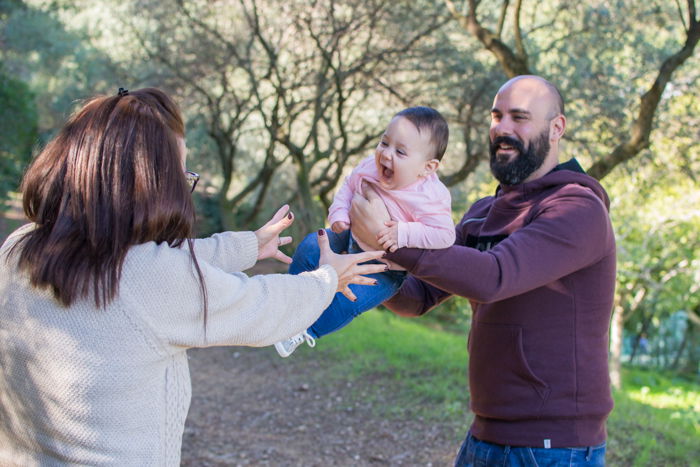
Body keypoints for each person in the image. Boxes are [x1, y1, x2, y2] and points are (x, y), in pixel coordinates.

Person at [0, 87, 386, 465]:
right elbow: (261, 307)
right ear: (147, 181)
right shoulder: (151, 279)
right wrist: (326, 279)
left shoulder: (18, 247)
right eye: (180, 176)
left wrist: (248, 246)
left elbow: (157, 266)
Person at [350, 76, 616, 466]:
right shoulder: (482, 214)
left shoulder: (577, 209)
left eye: (519, 118)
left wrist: (387, 237)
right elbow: (418, 296)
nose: (502, 129)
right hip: (486, 434)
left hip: (555, 447)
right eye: (497, 116)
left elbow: (494, 276)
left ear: (556, 128)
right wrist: (358, 257)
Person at [274, 106, 455, 357]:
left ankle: (306, 331)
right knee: (310, 246)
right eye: (384, 143)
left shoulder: (430, 196)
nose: (386, 154)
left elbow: (444, 235)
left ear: (427, 168)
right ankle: (285, 297)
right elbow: (349, 186)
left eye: (400, 151)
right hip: (350, 235)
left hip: (384, 268)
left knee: (351, 300)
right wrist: (338, 212)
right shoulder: (370, 166)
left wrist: (403, 232)